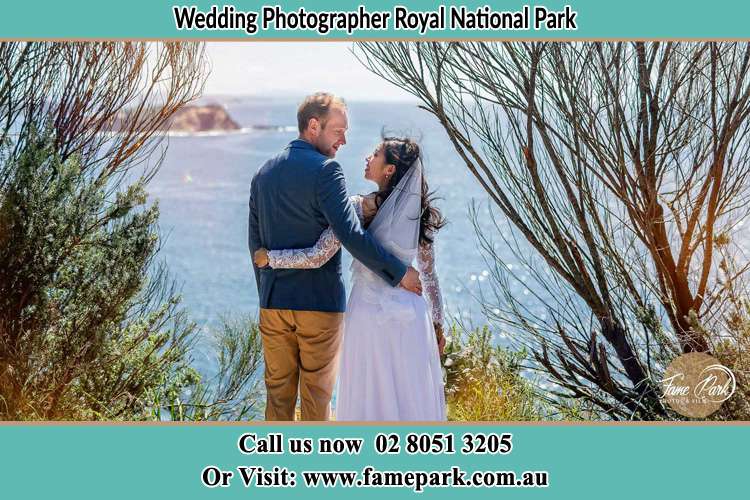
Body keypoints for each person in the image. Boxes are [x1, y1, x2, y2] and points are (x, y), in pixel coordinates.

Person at [248, 92, 422, 421]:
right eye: (338, 131)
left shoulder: (262, 174)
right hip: (319, 306)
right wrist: (399, 273)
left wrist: (267, 295)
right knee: (317, 401)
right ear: (314, 126)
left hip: (273, 304)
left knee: (277, 401)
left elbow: (254, 245)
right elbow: (351, 235)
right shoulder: (327, 171)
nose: (344, 140)